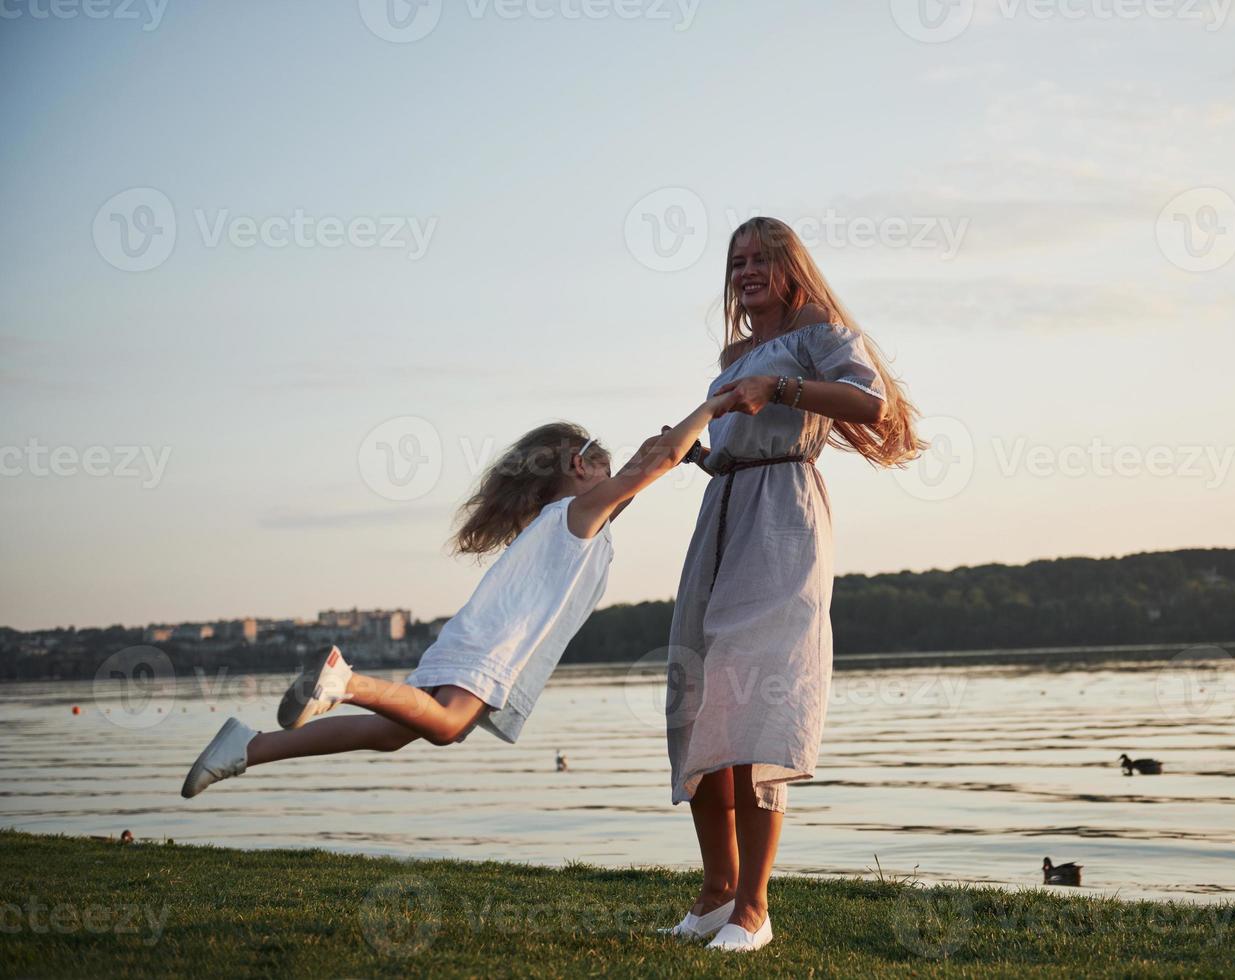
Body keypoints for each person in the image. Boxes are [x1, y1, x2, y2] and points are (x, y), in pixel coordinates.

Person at [180, 395, 732, 799]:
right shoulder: (576, 516)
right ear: (578, 467)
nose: (618, 483)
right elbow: (647, 467)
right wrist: (712, 407)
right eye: (606, 471)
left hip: (480, 636)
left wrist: (675, 450)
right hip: (492, 642)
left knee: (389, 735)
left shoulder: (572, 519)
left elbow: (645, 467)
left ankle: (248, 747)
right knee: (445, 726)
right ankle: (344, 681)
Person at [662, 217, 924, 952]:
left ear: (787, 265)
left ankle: (754, 906)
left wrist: (778, 386)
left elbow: (871, 403)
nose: (746, 271)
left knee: (756, 700)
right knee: (698, 694)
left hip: (783, 519)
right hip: (721, 514)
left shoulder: (819, 329)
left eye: (760, 259)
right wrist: (696, 457)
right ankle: (714, 893)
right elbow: (733, 439)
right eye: (736, 261)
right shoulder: (732, 351)